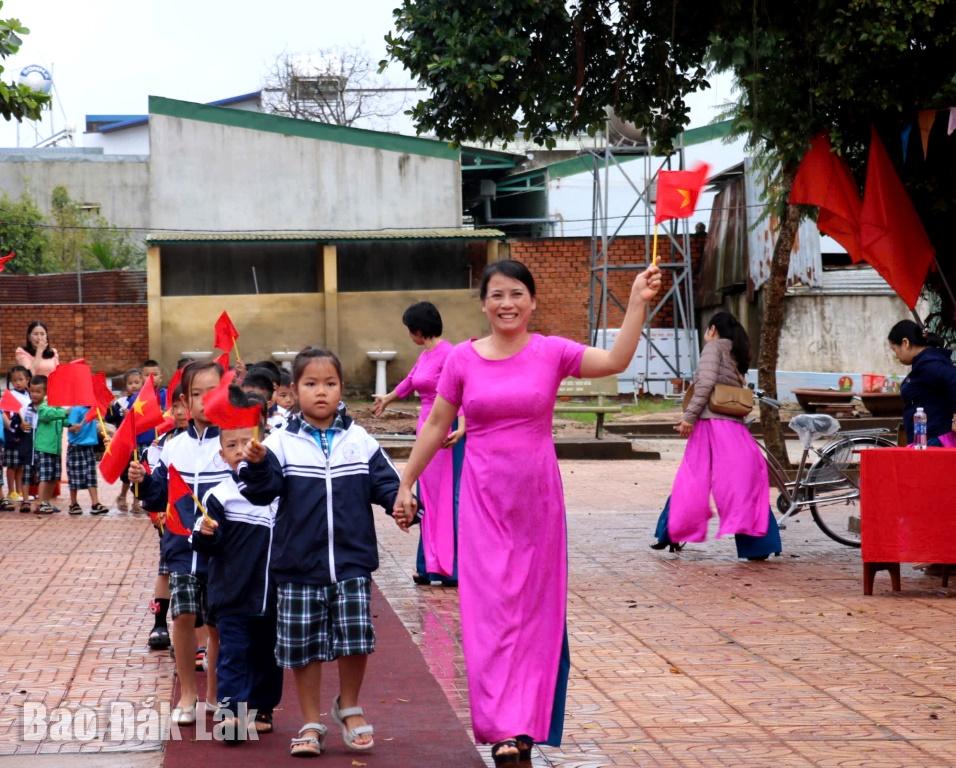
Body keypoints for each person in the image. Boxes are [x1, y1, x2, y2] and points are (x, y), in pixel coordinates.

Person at [393, 259, 661, 764]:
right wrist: (407, 481)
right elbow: (436, 427)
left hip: (538, 503)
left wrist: (639, 306)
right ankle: (499, 729)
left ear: (532, 301)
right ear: (483, 304)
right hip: (482, 500)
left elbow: (616, 361)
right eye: (496, 295)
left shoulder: (551, 352)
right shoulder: (463, 361)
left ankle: (523, 730)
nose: (507, 303)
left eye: (516, 294)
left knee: (536, 616)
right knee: (488, 614)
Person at [238, 348, 407, 757]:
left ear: (341, 389)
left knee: (355, 640)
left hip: (351, 563)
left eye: (329, 384)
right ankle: (311, 720)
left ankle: (349, 705)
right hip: (298, 566)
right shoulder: (279, 443)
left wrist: (405, 505)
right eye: (311, 384)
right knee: (303, 647)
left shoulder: (359, 440)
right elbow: (258, 492)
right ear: (292, 392)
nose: (321, 392)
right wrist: (259, 464)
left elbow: (388, 484)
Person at [129, 361, 230, 725]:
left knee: (217, 625)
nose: (205, 401)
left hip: (222, 551)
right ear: (185, 402)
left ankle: (215, 694)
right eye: (196, 394)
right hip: (181, 548)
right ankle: (187, 694)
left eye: (212, 392)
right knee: (184, 616)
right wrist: (141, 480)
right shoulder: (172, 447)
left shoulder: (233, 442)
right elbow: (156, 498)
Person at [193, 386, 283, 743]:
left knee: (268, 654)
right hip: (231, 593)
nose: (239, 451)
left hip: (271, 593)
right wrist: (206, 534)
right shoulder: (218, 495)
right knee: (233, 653)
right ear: (221, 454)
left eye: (246, 443)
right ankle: (231, 713)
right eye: (231, 446)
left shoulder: (276, 490)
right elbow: (201, 543)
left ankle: (263, 707)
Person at [374, 301, 464, 586]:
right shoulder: (426, 355)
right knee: (427, 495)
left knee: (446, 497)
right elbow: (411, 380)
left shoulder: (449, 354)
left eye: (409, 329)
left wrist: (462, 426)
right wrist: (388, 398)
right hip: (426, 427)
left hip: (444, 429)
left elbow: (459, 390)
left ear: (418, 329)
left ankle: (451, 567)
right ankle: (429, 564)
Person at [665, 312, 771, 549]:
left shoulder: (713, 348)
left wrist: (688, 417)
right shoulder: (738, 351)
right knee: (744, 483)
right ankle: (761, 546)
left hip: (710, 424)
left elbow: (705, 383)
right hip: (734, 426)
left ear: (712, 329)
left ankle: (670, 532)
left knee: (692, 479)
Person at [144, 383, 190, 652]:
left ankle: (194, 638)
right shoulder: (163, 443)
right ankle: (159, 623)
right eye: (176, 407)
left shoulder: (214, 440)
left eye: (186, 406)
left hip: (200, 517)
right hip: (170, 517)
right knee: (166, 569)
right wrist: (156, 512)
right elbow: (154, 483)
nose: (182, 412)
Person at [887, 320, 956, 447]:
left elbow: (953, 379)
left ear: (905, 343)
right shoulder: (924, 363)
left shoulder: (930, 364)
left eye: (894, 349)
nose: (896, 355)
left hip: (935, 438)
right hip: (926, 439)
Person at [25, 376, 68, 515]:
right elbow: (46, 415)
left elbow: (62, 420)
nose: (34, 394)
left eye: (38, 391)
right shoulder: (44, 405)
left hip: (55, 448)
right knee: (44, 476)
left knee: (53, 477)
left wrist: (72, 423)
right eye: (32, 391)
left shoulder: (56, 405)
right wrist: (64, 412)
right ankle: (41, 502)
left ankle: (46, 502)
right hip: (44, 448)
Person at [66, 405, 109, 515]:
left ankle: (95, 503)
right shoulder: (76, 409)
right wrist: (74, 427)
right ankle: (73, 503)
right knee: (74, 476)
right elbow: (69, 426)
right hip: (76, 446)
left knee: (91, 476)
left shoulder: (94, 410)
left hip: (89, 447)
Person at [2, 366, 32, 511]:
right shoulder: (10, 395)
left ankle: (20, 491)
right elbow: (6, 416)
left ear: (28, 380)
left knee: (20, 464)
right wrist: (14, 428)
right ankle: (10, 491)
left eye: (21, 379)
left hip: (25, 433)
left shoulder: (28, 395)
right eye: (14, 380)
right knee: (12, 465)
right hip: (13, 435)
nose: (18, 383)